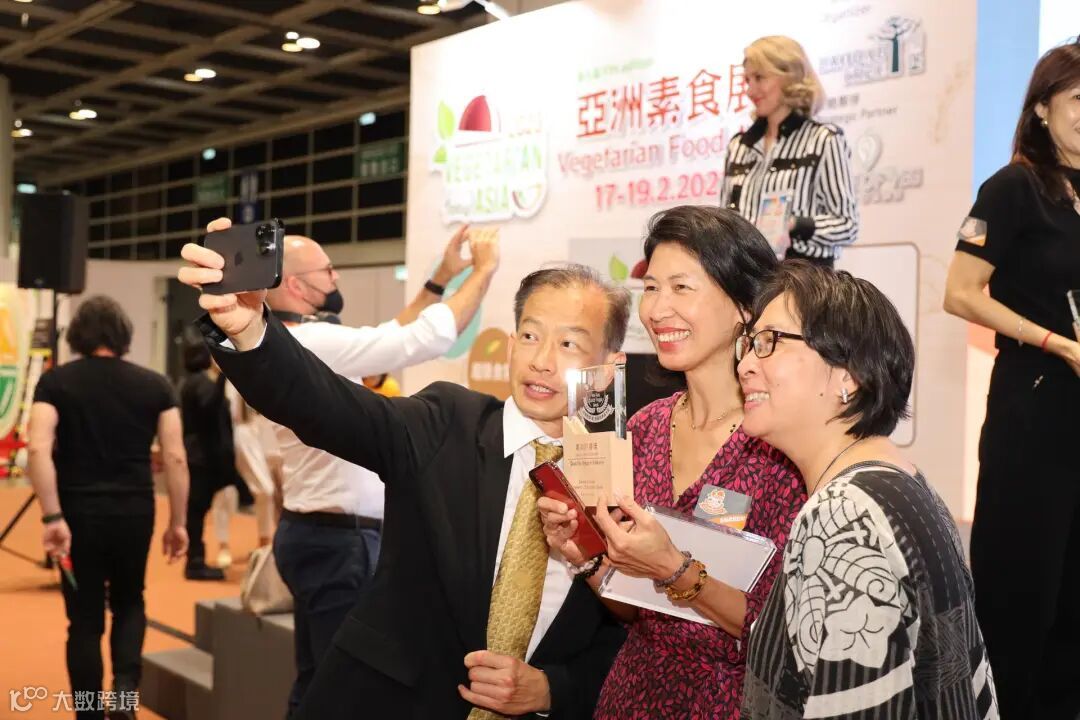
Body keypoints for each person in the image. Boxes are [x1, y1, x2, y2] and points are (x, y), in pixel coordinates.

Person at [178, 228, 628, 718]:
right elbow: (325, 403)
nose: (541, 361)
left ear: (609, 367)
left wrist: (552, 689)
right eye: (530, 336)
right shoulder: (445, 424)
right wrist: (250, 330)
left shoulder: (624, 482)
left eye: (568, 343)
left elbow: (631, 638)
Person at [538, 206, 805, 718]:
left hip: (732, 703)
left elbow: (787, 635)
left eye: (682, 288)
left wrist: (676, 570)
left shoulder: (778, 443)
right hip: (630, 697)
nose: (658, 309)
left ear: (744, 305)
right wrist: (585, 554)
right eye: (651, 288)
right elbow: (636, 612)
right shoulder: (645, 427)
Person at [735, 262, 998, 718]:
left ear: (848, 374)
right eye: (749, 343)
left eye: (770, 342)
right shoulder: (901, 481)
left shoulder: (844, 515)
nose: (744, 364)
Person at [943, 42, 1080, 719]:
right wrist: (1057, 342)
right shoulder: (1013, 187)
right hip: (1035, 401)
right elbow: (960, 293)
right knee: (1023, 588)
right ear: (1043, 108)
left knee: (1075, 593)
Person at [27, 295, 189, 720]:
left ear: (78, 336)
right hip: (135, 510)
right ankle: (124, 693)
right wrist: (178, 523)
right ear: (124, 335)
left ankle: (88, 713)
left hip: (77, 514)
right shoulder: (156, 385)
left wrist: (52, 515)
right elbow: (175, 457)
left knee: (83, 619)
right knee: (130, 601)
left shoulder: (56, 383)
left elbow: (37, 449)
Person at [720, 35, 858, 267]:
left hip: (803, 281)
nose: (750, 90)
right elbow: (724, 223)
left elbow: (847, 226)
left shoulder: (824, 139)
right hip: (746, 280)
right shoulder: (738, 146)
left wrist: (795, 225)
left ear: (790, 76)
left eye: (759, 78)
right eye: (747, 80)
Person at [179, 342, 236, 581]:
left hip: (197, 454)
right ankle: (195, 561)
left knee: (196, 510)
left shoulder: (189, 383)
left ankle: (195, 558)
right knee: (197, 510)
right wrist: (223, 378)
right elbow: (209, 408)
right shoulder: (201, 383)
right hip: (203, 456)